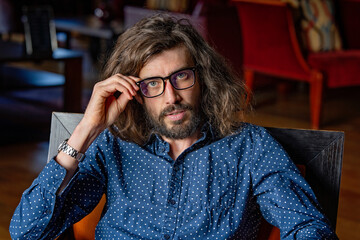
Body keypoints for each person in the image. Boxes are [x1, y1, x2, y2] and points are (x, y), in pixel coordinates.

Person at [10, 14, 338, 240]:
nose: (171, 96)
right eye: (152, 83)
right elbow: (27, 231)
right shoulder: (112, 145)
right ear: (134, 93)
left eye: (181, 77)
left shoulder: (249, 146)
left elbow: (308, 226)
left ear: (202, 78)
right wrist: (85, 130)